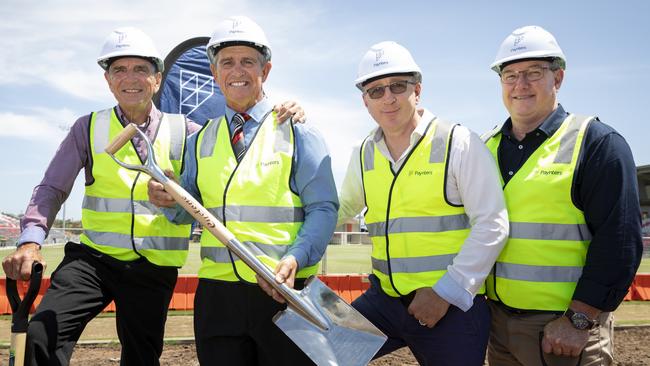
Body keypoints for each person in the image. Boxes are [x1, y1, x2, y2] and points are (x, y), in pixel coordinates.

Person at [1, 26, 304, 366]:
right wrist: (30, 240)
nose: (130, 78)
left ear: (157, 79)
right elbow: (52, 188)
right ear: (108, 80)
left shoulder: (189, 133)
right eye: (119, 70)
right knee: (43, 335)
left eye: (140, 69)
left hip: (153, 268)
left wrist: (283, 109)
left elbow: (240, 128)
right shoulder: (87, 128)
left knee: (142, 358)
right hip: (93, 260)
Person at [148, 16, 338, 365]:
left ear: (265, 70)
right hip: (218, 298)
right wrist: (166, 200)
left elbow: (324, 208)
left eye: (248, 61)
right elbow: (184, 211)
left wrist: (296, 257)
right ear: (215, 73)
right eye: (227, 63)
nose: (238, 70)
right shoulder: (199, 140)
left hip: (284, 290)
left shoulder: (298, 133)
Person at [337, 41, 509, 365]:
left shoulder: (458, 142)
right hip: (384, 301)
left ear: (417, 89)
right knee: (324, 350)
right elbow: (342, 209)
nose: (387, 97)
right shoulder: (364, 153)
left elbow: (492, 223)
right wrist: (291, 244)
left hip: (448, 308)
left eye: (397, 86)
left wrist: (446, 292)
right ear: (365, 102)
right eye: (376, 91)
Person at [483, 25, 643, 366]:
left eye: (533, 73)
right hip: (499, 329)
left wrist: (578, 319)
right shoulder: (486, 147)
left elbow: (619, 242)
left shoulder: (597, 143)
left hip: (564, 332)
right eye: (510, 75)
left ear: (558, 78)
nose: (520, 85)